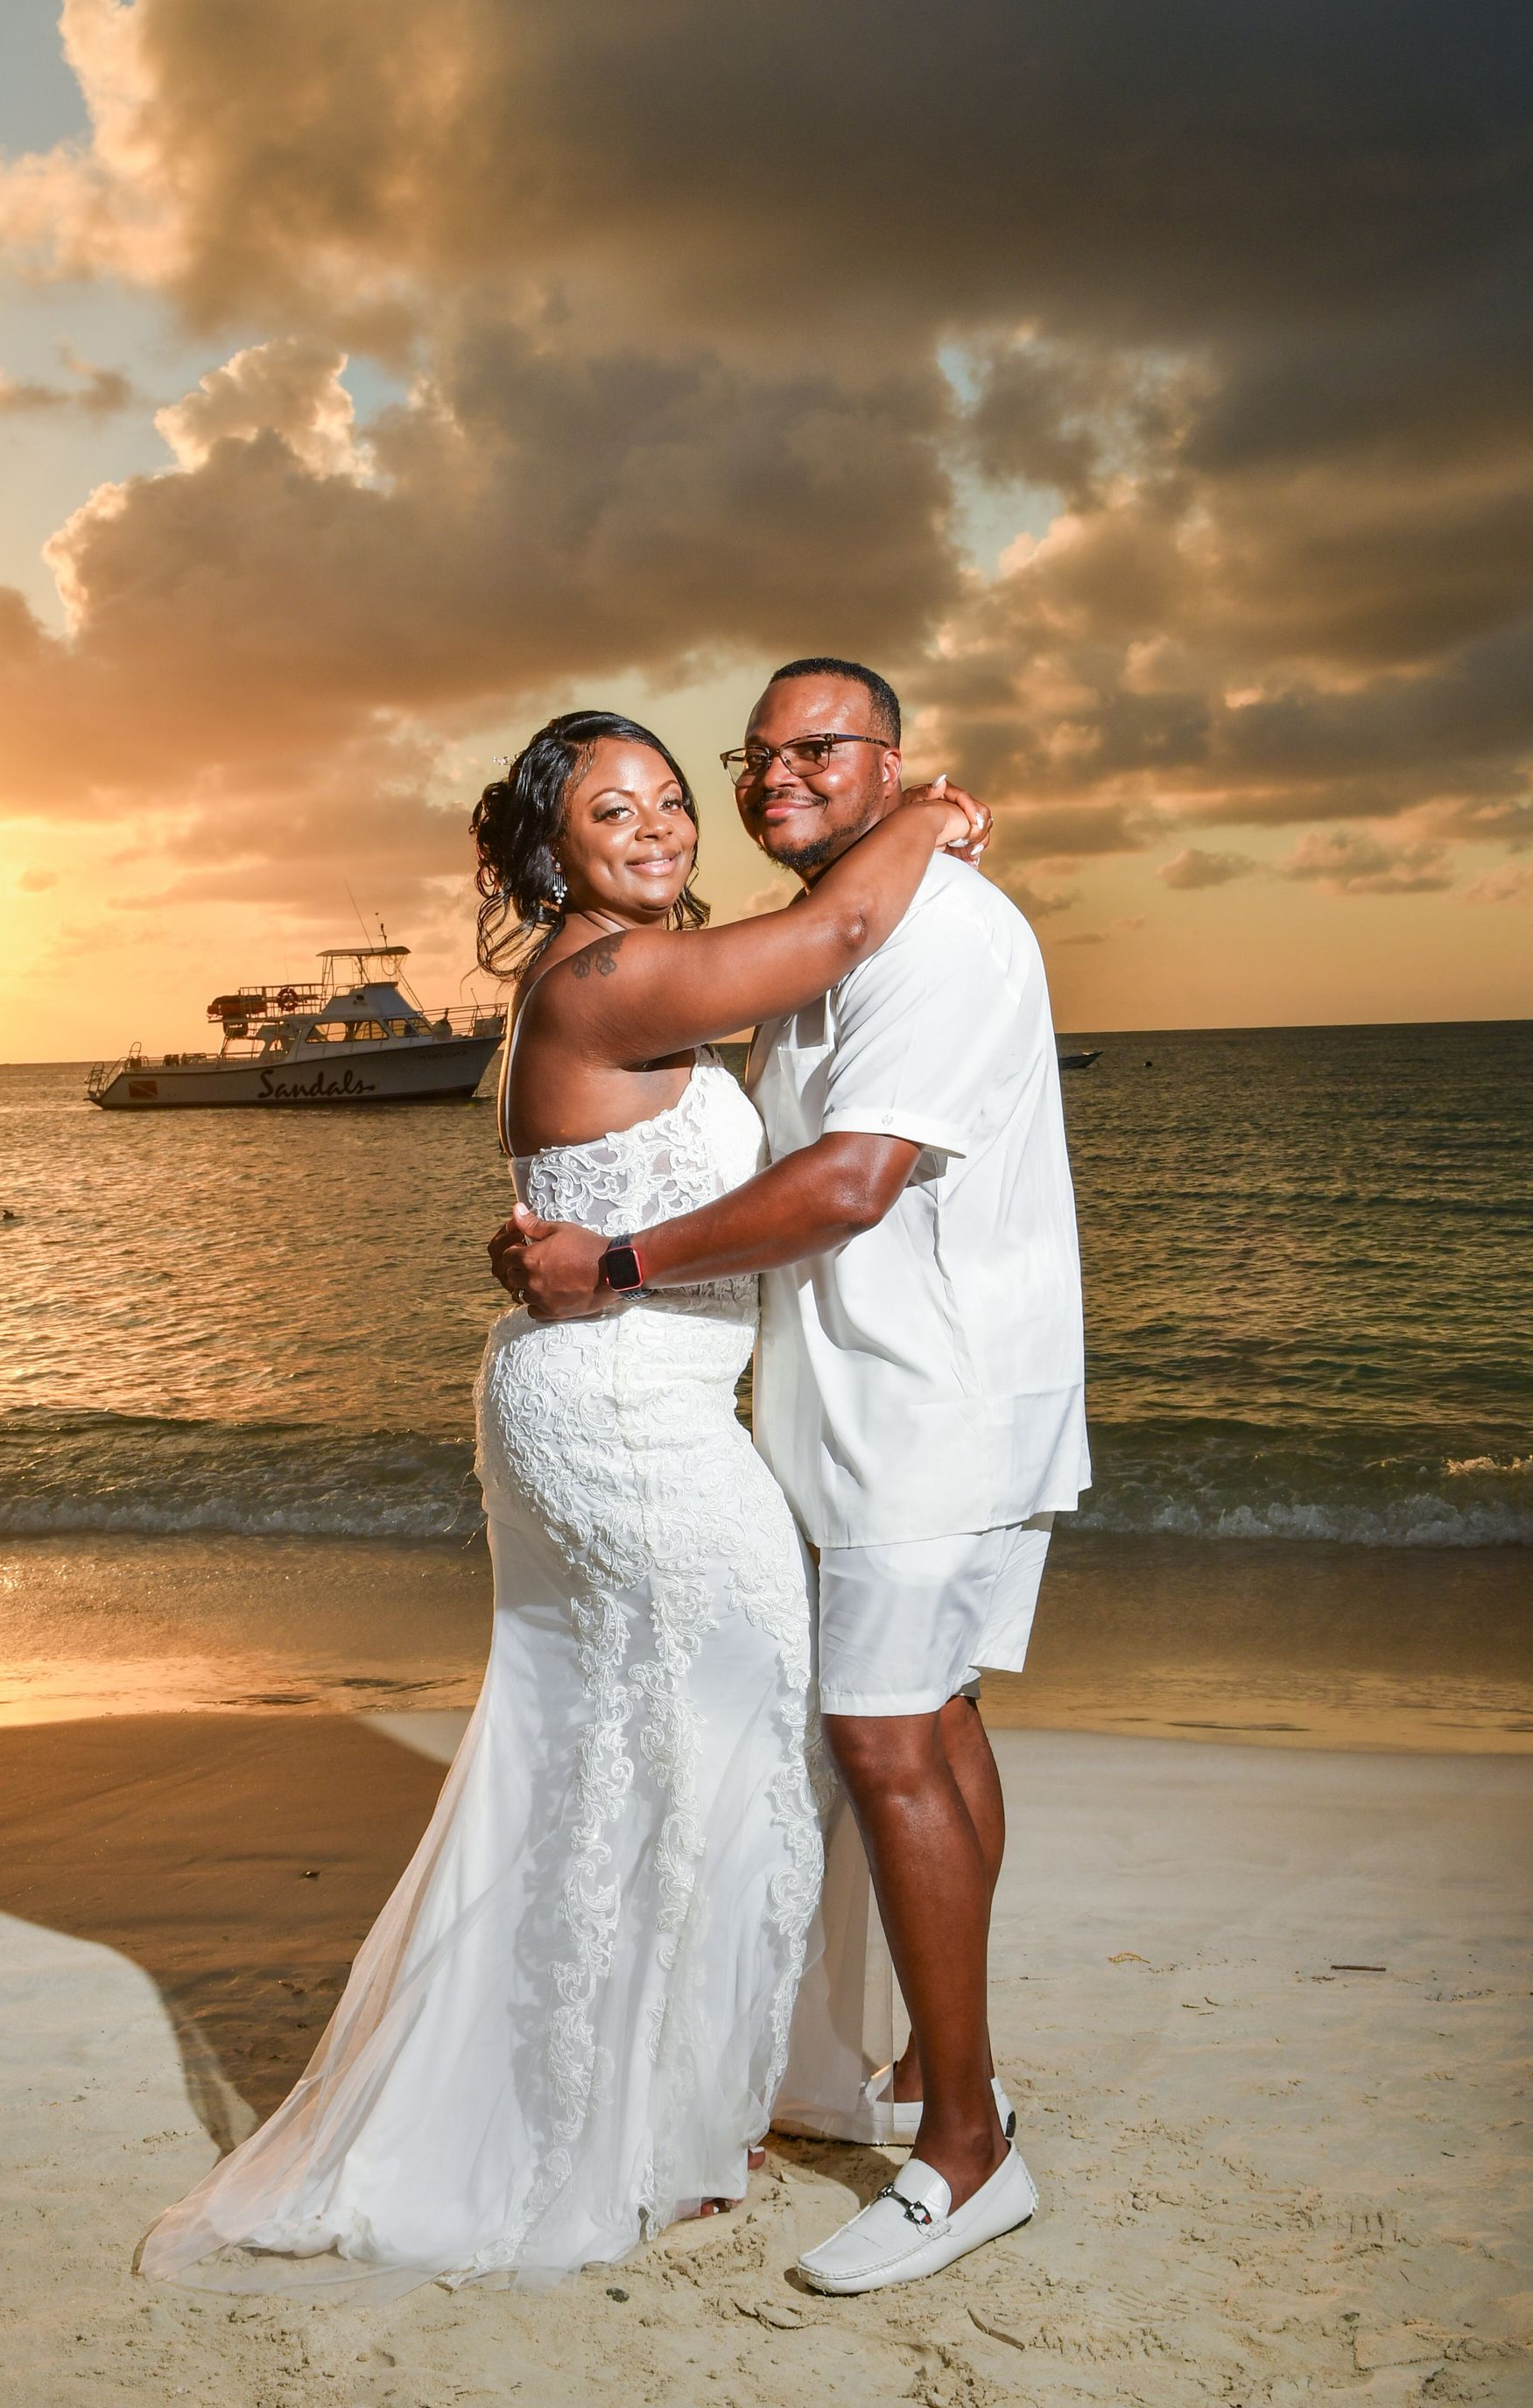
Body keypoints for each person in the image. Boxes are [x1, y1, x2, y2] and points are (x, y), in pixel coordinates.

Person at [137, 707, 987, 2292]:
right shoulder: (614, 978)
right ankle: (658, 2127)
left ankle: (676, 2094)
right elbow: (840, 925)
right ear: (552, 854)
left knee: (641, 1746)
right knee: (722, 1734)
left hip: (603, 1404)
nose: (661, 826)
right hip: (624, 1422)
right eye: (617, 811)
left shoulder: (612, 977)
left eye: (672, 799)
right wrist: (926, 813)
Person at [496, 658, 1089, 2296]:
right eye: (749, 759)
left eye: (811, 753)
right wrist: (913, 827)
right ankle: (908, 2071)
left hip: (932, 1400)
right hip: (823, 1407)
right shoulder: (800, 935)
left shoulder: (934, 930)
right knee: (926, 1724)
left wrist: (610, 1259)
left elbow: (846, 1180)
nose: (759, 785)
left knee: (885, 1734)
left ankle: (965, 2149)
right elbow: (756, 1019)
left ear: (886, 759)